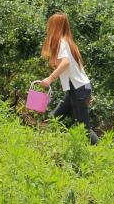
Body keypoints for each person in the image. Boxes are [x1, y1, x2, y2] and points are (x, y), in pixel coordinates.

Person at [39, 13, 99, 145]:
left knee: (84, 128)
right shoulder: (68, 42)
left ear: (55, 26)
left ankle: (102, 152)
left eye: (50, 25)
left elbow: (65, 63)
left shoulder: (61, 42)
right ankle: (43, 143)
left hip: (78, 90)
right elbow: (79, 70)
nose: (48, 28)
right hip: (79, 88)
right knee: (55, 117)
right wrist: (88, 92)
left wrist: (50, 78)